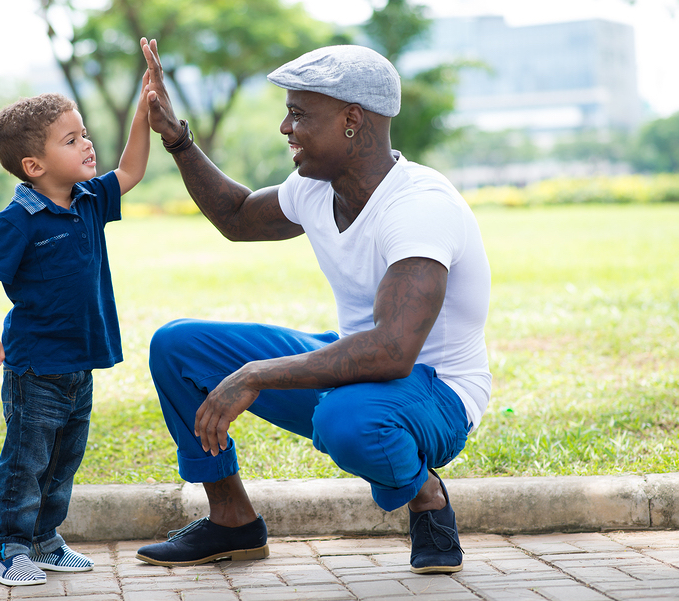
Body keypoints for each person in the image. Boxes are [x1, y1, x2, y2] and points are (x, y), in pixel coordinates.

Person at [135, 39, 491, 575]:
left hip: (434, 390)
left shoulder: (419, 207)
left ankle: (426, 497)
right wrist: (178, 139)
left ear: (352, 120)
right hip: (355, 366)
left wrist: (256, 374)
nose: (285, 128)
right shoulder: (314, 189)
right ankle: (232, 522)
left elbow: (394, 352)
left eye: (298, 114)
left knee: (349, 421)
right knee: (179, 346)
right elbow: (235, 216)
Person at [0, 42, 151, 587]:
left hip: (78, 362)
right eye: (72, 140)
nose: (88, 143)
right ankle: (6, 547)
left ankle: (45, 541)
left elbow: (133, 169)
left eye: (85, 133)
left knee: (64, 459)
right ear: (35, 165)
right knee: (27, 461)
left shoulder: (90, 199)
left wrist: (143, 109)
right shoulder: (20, 218)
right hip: (34, 367)